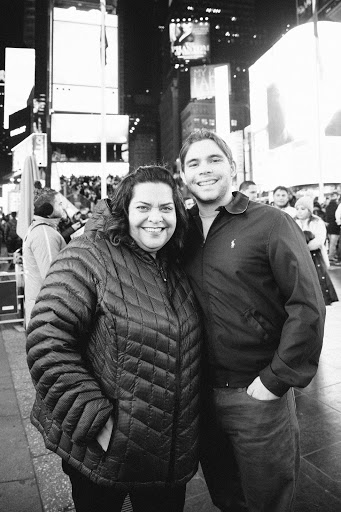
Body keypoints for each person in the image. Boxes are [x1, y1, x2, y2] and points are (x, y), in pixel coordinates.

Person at [26, 166, 202, 512]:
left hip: (168, 456)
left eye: (166, 208)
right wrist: (95, 419)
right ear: (124, 210)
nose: (156, 218)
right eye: (143, 207)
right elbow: (48, 339)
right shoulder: (88, 254)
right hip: (102, 449)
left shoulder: (176, 261)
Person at [179, 129, 326, 512]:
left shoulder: (271, 222)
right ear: (182, 174)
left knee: (268, 500)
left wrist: (275, 380)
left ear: (232, 166)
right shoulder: (179, 231)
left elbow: (307, 305)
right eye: (193, 163)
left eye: (214, 160)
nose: (204, 170)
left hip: (256, 394)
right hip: (200, 396)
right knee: (226, 496)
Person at [22, 188, 67, 327]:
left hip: (41, 311)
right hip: (48, 315)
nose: (63, 206)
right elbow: (52, 278)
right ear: (48, 209)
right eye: (59, 204)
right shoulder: (44, 234)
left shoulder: (40, 229)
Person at [295, 196, 338, 305]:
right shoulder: (293, 221)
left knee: (318, 278)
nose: (299, 211)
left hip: (315, 255)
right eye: (298, 208)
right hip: (298, 255)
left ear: (309, 210)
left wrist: (305, 247)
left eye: (303, 209)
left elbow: (320, 239)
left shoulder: (317, 221)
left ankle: (322, 300)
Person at [325, 191, 340, 263]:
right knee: (333, 243)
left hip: (329, 226)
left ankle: (331, 255)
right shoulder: (337, 206)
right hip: (335, 226)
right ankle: (331, 256)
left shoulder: (327, 206)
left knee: (331, 242)